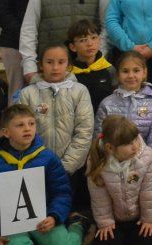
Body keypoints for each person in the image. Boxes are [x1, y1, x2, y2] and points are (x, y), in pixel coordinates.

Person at [0, 104, 84, 245]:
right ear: (6, 132)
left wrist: (54, 216)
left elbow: (61, 192)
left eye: (31, 124)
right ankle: (34, 244)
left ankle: (78, 225)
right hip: (12, 224)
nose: (27, 129)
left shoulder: (48, 158)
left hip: (44, 219)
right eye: (20, 125)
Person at [17, 44, 95, 202]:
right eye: (49, 62)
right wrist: (37, 163)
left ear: (69, 65)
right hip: (36, 167)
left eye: (61, 62)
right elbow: (21, 131)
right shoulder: (27, 94)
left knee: (65, 207)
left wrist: (66, 167)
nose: (55, 67)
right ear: (40, 64)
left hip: (70, 169)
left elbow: (84, 131)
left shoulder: (80, 91)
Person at [87, 115, 152, 245]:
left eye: (135, 139)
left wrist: (149, 219)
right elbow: (99, 198)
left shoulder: (146, 157)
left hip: (139, 217)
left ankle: (128, 237)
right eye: (128, 143)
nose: (135, 146)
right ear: (110, 148)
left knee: (147, 243)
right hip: (114, 219)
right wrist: (105, 223)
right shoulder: (96, 160)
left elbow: (149, 192)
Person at [95, 50, 152, 155]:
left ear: (144, 73)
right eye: (125, 71)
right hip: (112, 164)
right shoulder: (106, 104)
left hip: (144, 164)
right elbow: (99, 138)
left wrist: (145, 163)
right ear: (118, 74)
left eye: (136, 70)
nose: (131, 75)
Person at [66, 18, 116, 113]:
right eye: (83, 40)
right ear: (72, 47)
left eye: (93, 38)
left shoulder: (109, 69)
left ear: (99, 41)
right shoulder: (68, 73)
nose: (90, 44)